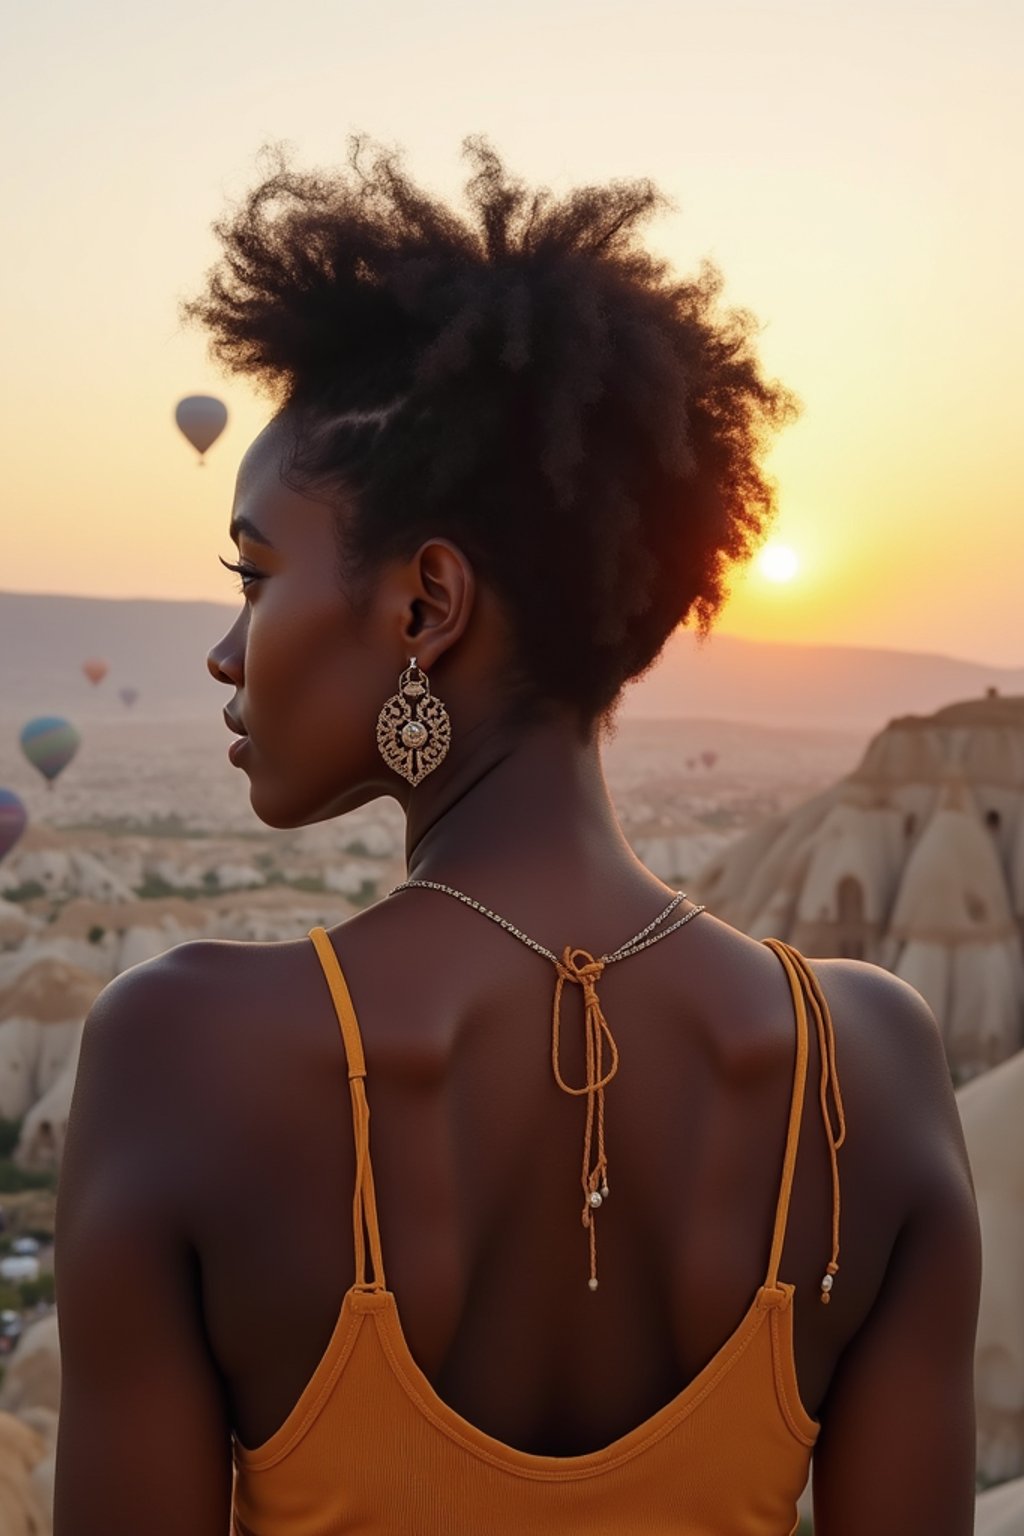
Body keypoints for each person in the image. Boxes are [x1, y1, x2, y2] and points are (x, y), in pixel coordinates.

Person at [54, 141, 980, 1535]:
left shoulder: (187, 1056)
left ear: (427, 605)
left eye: (254, 576)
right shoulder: (874, 1066)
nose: (226, 654)